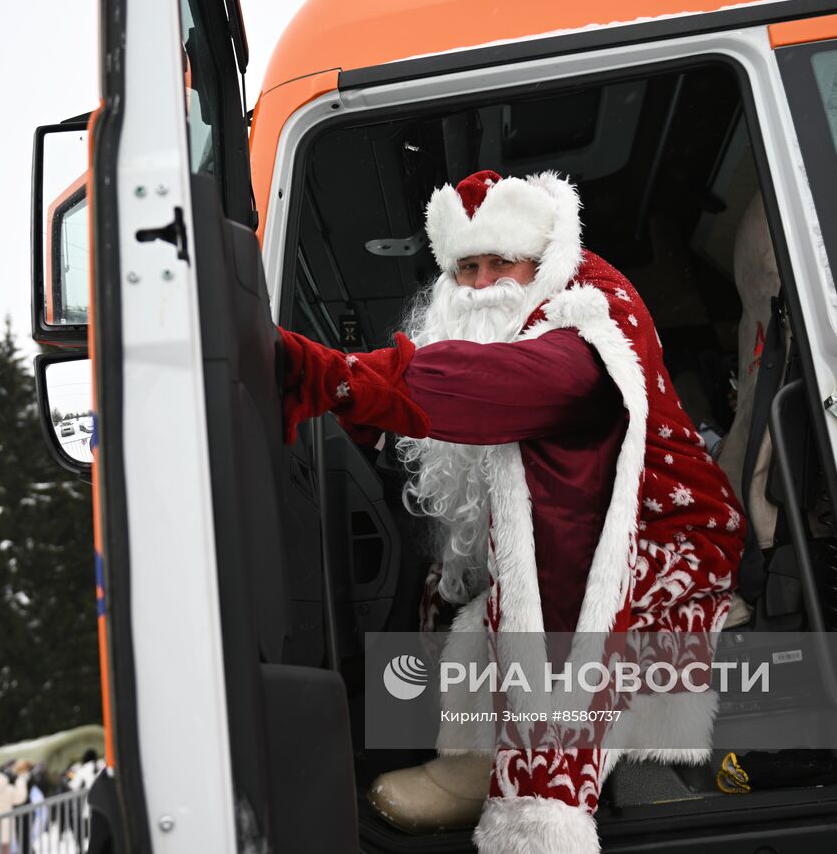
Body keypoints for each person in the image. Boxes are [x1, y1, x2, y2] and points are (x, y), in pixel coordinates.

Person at [279, 169, 745, 853]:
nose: (483, 283)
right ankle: (473, 762)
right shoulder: (509, 322)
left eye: (503, 262)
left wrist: (337, 379)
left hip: (668, 538)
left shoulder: (590, 313)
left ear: (542, 260)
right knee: (467, 612)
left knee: (555, 656)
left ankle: (537, 810)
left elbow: (514, 383)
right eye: (467, 266)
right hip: (577, 536)